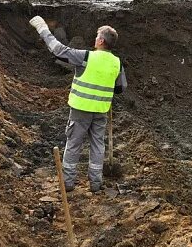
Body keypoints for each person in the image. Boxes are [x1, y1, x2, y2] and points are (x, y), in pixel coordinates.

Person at [29, 18, 127, 192]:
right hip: (100, 111)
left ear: (101, 41)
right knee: (97, 145)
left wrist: (43, 29)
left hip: (81, 110)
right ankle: (96, 184)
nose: (95, 39)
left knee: (74, 144)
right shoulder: (116, 62)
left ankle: (68, 183)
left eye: (97, 36)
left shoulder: (87, 57)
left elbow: (58, 50)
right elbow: (120, 88)